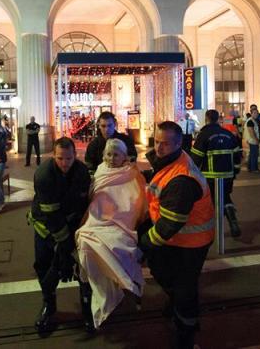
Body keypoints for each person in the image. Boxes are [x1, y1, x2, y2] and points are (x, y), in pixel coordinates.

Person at [138, 121, 214, 349]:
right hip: (177, 239)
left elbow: (171, 223)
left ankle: (186, 333)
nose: (159, 148)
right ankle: (176, 305)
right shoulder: (170, 162)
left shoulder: (181, 179)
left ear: (179, 143)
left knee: (184, 289)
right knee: (163, 272)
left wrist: (143, 244)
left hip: (191, 243)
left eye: (165, 143)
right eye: (156, 142)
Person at [76, 138, 148, 330]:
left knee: (117, 243)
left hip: (121, 222)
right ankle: (100, 292)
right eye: (108, 154)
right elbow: (94, 197)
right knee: (84, 241)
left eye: (116, 154)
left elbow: (135, 202)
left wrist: (122, 213)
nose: (111, 158)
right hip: (96, 219)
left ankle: (122, 288)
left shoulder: (132, 174)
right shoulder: (100, 170)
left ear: (124, 156)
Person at [27, 137, 91, 332]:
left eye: (69, 158)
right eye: (60, 158)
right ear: (53, 155)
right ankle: (49, 305)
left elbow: (82, 205)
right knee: (45, 267)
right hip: (46, 227)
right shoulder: (43, 175)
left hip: (73, 226)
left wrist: (71, 244)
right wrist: (64, 248)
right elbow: (52, 215)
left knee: (84, 269)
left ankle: (87, 307)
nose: (65, 163)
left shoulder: (82, 172)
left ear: (76, 155)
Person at [191, 109, 242, 238]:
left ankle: (210, 230)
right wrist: (235, 171)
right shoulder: (228, 134)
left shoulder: (203, 135)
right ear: (218, 118)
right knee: (225, 197)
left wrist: (193, 174)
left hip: (210, 176)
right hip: (228, 174)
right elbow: (237, 154)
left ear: (207, 119)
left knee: (210, 200)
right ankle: (233, 221)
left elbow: (196, 158)